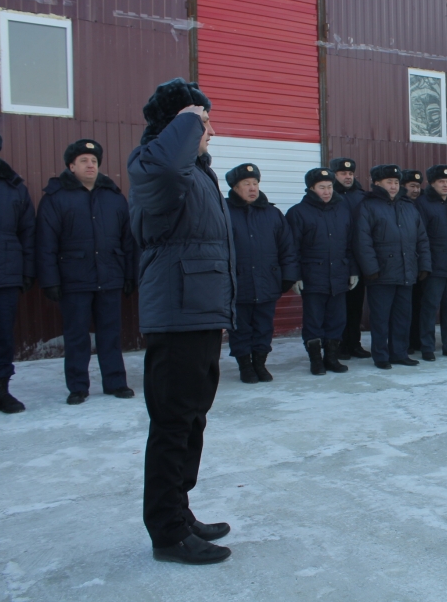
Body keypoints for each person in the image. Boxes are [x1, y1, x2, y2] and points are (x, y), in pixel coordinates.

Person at [128, 78, 233, 564]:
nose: (209, 128)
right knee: (172, 424)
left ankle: (179, 509)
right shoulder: (156, 167)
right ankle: (167, 532)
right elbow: (168, 161)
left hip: (200, 312)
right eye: (200, 120)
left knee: (191, 420)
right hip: (177, 315)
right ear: (176, 125)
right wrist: (187, 115)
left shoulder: (195, 173)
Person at [37, 139, 136, 404]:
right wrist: (50, 280)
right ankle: (78, 387)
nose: (90, 165)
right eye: (83, 161)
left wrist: (129, 275)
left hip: (110, 276)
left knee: (111, 333)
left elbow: (127, 240)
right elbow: (45, 243)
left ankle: (115, 382)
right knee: (76, 335)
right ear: (71, 166)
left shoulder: (114, 197)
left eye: (93, 161)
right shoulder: (55, 199)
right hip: (74, 279)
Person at [224, 163, 298, 382]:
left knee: (264, 327)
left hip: (267, 281)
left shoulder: (272, 213)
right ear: (235, 187)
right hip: (237, 283)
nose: (252, 188)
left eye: (255, 183)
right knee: (241, 328)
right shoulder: (224, 212)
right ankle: (245, 367)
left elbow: (288, 247)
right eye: (246, 184)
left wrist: (288, 275)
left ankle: (260, 364)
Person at [354, 164, 431, 369]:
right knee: (380, 318)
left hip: (407, 270)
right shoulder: (368, 206)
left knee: (402, 316)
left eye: (397, 182)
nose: (394, 186)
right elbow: (363, 241)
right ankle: (381, 355)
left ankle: (399, 353)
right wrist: (371, 269)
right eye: (390, 182)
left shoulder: (408, 206)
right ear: (377, 183)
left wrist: (423, 265)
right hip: (381, 273)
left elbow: (421, 238)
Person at [286, 168, 357, 375]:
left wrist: (352, 270)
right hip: (312, 277)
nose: (326, 192)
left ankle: (332, 358)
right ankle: (316, 360)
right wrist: (295, 276)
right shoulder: (298, 213)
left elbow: (350, 244)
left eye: (329, 187)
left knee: (337, 320)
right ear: (311, 188)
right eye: (321, 188)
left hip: (339, 276)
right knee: (314, 321)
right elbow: (292, 248)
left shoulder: (342, 211)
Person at [0, 132, 35, 415]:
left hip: (5, 273)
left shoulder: (14, 188)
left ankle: (1, 390)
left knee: (2, 335)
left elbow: (28, 233)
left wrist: (26, 272)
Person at [415, 164, 447, 360]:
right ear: (432, 183)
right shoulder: (423, 204)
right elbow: (421, 237)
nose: (445, 185)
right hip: (434, 267)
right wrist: (425, 265)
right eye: (441, 182)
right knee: (429, 308)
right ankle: (427, 346)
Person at [330, 157, 370, 360]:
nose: (347, 177)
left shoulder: (361, 196)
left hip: (358, 258)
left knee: (355, 306)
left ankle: (354, 343)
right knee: (337, 308)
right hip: (336, 260)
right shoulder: (330, 195)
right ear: (334, 175)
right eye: (343, 173)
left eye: (350, 173)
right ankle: (337, 345)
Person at [401, 169, 425, 353]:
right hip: (404, 265)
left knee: (419, 305)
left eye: (418, 186)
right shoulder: (399, 205)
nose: (416, 190)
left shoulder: (422, 204)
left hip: (420, 264)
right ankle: (406, 342)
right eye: (412, 186)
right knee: (404, 307)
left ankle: (416, 339)